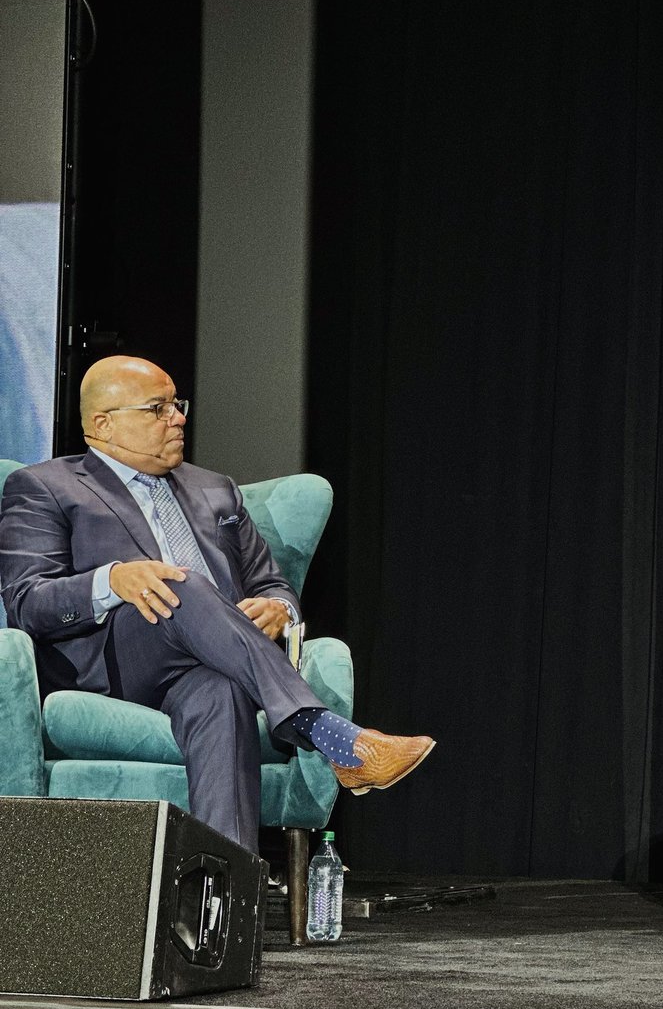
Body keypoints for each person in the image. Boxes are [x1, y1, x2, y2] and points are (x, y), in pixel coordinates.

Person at [0, 355, 434, 854]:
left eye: (177, 405)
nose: (179, 418)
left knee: (220, 693)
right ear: (104, 423)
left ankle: (220, 907)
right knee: (180, 584)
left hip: (216, 662)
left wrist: (279, 610)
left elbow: (272, 584)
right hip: (111, 664)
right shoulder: (45, 485)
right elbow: (27, 601)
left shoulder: (216, 489)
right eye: (158, 408)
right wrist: (112, 579)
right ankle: (324, 730)